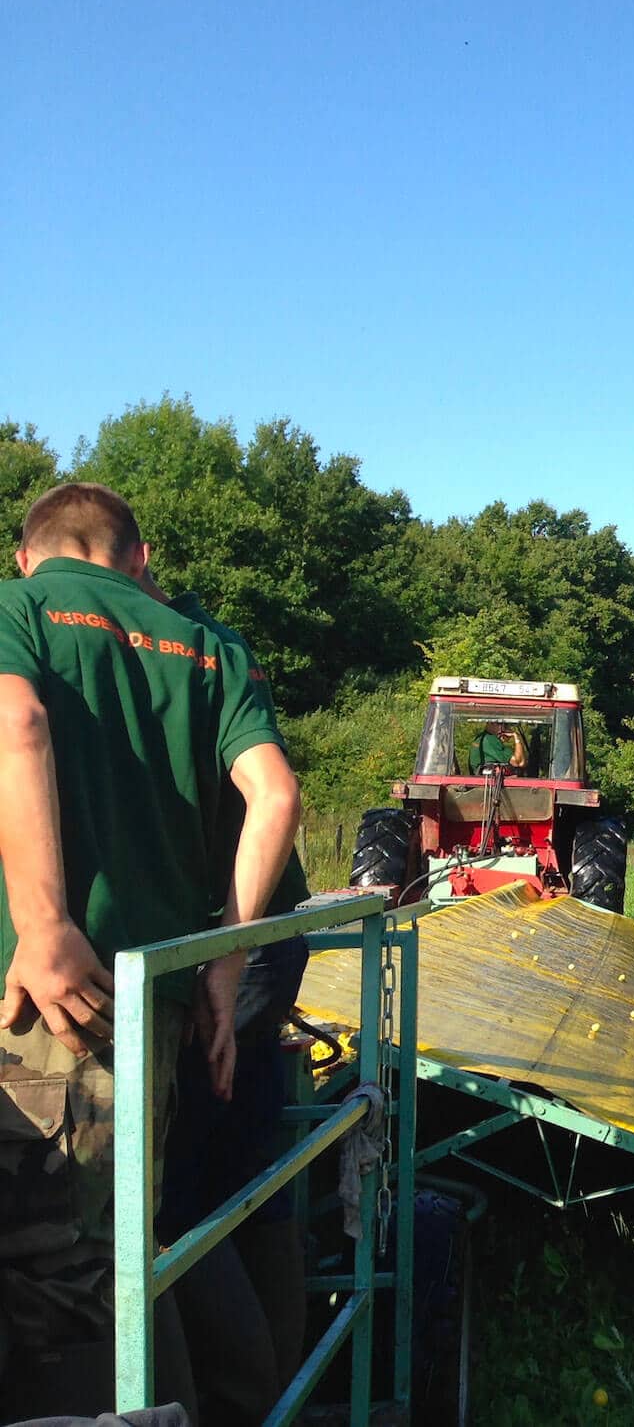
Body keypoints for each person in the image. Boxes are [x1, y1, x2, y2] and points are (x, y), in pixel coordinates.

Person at [0, 484, 301, 1419]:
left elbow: (18, 724)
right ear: (139, 557)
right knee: (126, 1252)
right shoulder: (207, 644)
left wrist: (45, 925)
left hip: (49, 1006)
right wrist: (223, 965)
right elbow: (277, 797)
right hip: (151, 1003)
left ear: (28, 556)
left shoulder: (21, 609)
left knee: (57, 1291)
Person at [145, 573, 312, 1427]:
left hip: (226, 942)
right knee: (245, 1159)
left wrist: (225, 954)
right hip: (251, 942)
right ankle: (275, 1381)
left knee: (181, 1190)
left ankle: (234, 1398)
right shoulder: (211, 642)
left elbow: (273, 794)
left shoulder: (172, 649)